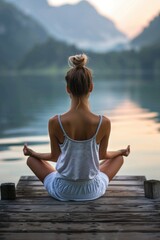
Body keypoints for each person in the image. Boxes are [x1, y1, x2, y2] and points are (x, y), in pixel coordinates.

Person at [23, 53, 130, 201]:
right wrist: (120, 152)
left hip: (62, 190)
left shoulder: (55, 122)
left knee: (31, 160)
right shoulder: (103, 122)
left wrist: (33, 154)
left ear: (68, 89)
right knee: (119, 159)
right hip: (92, 190)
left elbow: (55, 157)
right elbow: (101, 156)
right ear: (91, 87)